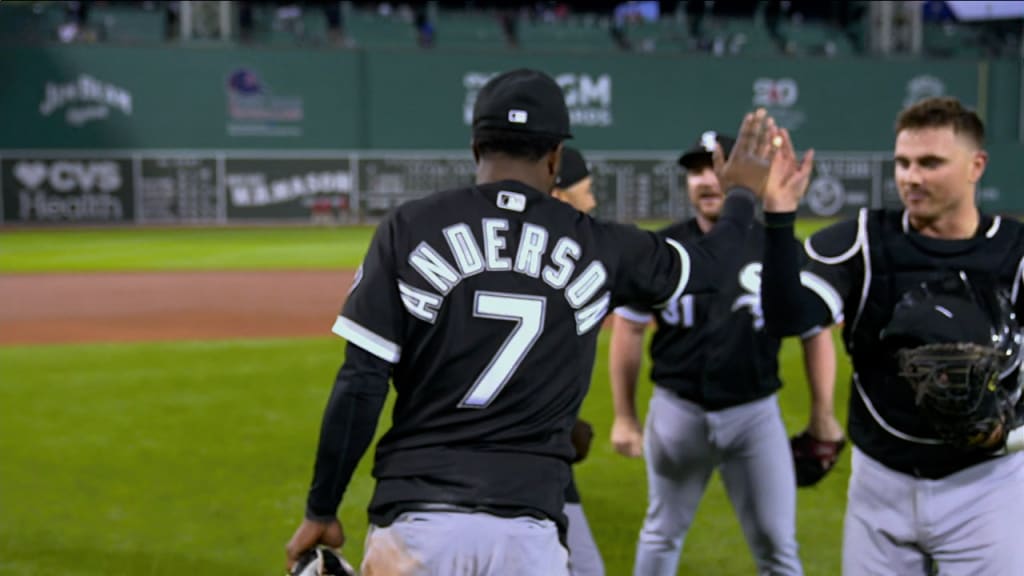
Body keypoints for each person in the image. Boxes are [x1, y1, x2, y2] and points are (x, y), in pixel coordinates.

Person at [284, 67, 779, 575]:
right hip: (528, 531)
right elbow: (714, 266)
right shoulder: (602, 245)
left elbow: (361, 384)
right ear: (555, 158)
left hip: (416, 521)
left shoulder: (408, 228)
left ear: (476, 147)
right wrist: (742, 192)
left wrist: (322, 507)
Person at [759, 96, 1024, 575]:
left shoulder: (1016, 253)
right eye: (902, 162)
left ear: (976, 165)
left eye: (930, 163)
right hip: (880, 483)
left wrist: (1011, 433)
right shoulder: (861, 241)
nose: (911, 177)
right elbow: (789, 318)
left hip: (988, 487)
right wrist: (779, 217)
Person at [608, 130, 843, 576]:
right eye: (696, 169)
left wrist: (822, 413)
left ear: (742, 176)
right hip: (677, 410)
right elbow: (630, 328)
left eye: (717, 166)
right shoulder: (664, 248)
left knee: (778, 544)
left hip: (754, 415)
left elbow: (816, 332)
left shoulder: (776, 247)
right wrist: (624, 416)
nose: (706, 179)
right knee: (661, 533)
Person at [552, 145, 604, 576]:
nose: (593, 203)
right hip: (534, 470)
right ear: (559, 198)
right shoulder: (563, 275)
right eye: (586, 191)